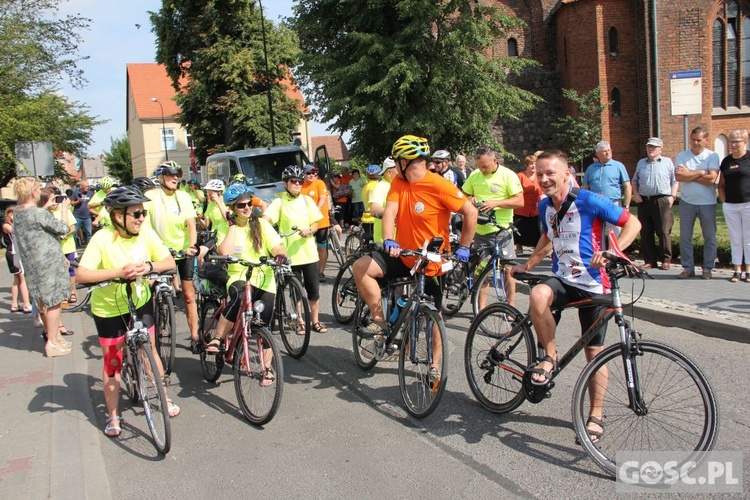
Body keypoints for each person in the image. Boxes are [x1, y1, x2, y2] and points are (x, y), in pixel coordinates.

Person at [510, 150, 641, 443]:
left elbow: (632, 223)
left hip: (595, 284)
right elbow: (548, 237)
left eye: (550, 173)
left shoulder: (589, 200)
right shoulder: (546, 206)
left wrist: (613, 251)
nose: (544, 179)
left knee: (594, 354)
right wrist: (528, 265)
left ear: (567, 174)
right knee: (538, 294)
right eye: (539, 174)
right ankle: (549, 356)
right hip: (563, 280)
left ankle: (595, 414)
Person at [353, 135, 478, 383]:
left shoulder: (439, 185)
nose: (395, 166)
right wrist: (390, 239)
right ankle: (380, 322)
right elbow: (390, 212)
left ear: (405, 161)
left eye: (397, 161)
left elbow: (470, 212)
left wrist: (464, 245)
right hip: (404, 255)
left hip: (431, 261)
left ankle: (434, 365)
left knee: (434, 316)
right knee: (361, 268)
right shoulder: (399, 182)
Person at [76, 186, 180, 437]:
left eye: (142, 212)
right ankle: (113, 415)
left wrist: (147, 266)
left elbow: (169, 262)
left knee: (149, 351)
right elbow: (82, 273)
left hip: (140, 300)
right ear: (117, 216)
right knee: (113, 362)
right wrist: (117, 273)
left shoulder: (146, 233)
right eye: (135, 214)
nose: (141, 218)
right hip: (109, 308)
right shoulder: (102, 238)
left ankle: (163, 398)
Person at [203, 184, 287, 387]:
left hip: (264, 277)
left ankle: (267, 369)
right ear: (232, 208)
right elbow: (224, 251)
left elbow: (276, 244)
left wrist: (279, 254)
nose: (247, 208)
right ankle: (218, 338)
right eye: (241, 205)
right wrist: (232, 225)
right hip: (239, 274)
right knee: (239, 297)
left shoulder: (261, 225)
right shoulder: (225, 228)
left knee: (264, 325)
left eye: (250, 203)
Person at [12, 177, 75, 357]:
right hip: (47, 263)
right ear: (33, 192)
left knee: (42, 301)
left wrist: (45, 208)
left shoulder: (18, 211)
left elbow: (34, 226)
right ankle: (52, 342)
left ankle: (54, 337)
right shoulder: (38, 213)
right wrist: (64, 210)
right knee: (54, 302)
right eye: (38, 189)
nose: (40, 191)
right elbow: (63, 228)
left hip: (31, 263)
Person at [264, 165, 328, 333]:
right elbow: (266, 219)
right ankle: (300, 321)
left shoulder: (307, 201)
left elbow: (316, 222)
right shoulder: (279, 202)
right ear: (286, 183)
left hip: (309, 254)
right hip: (290, 255)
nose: (297, 184)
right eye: (294, 181)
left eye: (300, 181)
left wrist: (310, 230)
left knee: (313, 291)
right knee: (296, 291)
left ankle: (315, 321)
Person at [146, 161, 200, 351]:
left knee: (188, 296)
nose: (175, 178)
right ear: (161, 177)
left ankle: (194, 336)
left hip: (182, 250)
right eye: (170, 174)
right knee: (150, 293)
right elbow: (143, 225)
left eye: (177, 174)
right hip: (160, 252)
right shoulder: (151, 196)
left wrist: (192, 246)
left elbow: (192, 225)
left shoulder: (183, 197)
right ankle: (152, 331)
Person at [462, 145, 524, 308]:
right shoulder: (475, 175)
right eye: (479, 166)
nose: (482, 169)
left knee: (508, 270)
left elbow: (520, 201)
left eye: (485, 166)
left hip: (502, 231)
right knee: (483, 272)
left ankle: (510, 307)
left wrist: (496, 203)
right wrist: (469, 199)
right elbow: (463, 194)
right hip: (481, 231)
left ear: (495, 160)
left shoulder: (508, 175)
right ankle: (480, 309)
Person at [674, 127, 721, 280]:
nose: (695, 143)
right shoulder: (682, 156)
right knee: (685, 237)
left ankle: (707, 268)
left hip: (707, 203)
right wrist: (701, 172)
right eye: (693, 139)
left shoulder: (712, 156)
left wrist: (690, 174)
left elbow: (712, 179)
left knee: (709, 237)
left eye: (699, 140)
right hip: (687, 202)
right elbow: (679, 177)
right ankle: (688, 268)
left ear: (706, 140)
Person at [631, 137, 678, 270]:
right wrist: (636, 194)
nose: (651, 149)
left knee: (663, 231)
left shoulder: (667, 162)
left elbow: (675, 180)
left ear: (661, 149)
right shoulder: (641, 163)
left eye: (654, 147)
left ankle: (665, 260)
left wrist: (672, 196)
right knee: (646, 231)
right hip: (644, 200)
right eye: (649, 147)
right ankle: (650, 260)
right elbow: (635, 180)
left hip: (662, 200)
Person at [718, 129, 750, 283]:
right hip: (731, 205)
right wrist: (725, 202)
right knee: (735, 238)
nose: (733, 145)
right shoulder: (726, 161)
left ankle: (748, 269)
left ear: (745, 141)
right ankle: (737, 269)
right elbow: (721, 184)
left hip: (748, 204)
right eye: (731, 142)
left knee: (748, 238)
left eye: (736, 141)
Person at [40, 189, 78, 305]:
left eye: (57, 199)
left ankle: (72, 292)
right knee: (59, 273)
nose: (56, 202)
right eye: (53, 200)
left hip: (68, 246)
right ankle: (63, 294)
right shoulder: (46, 214)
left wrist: (64, 235)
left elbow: (72, 228)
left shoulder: (64, 211)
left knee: (71, 271)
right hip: (56, 249)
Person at [300, 165, 331, 281]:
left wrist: (316, 211)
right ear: (304, 174)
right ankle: (308, 272)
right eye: (308, 173)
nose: (311, 175)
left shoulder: (319, 183)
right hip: (305, 222)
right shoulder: (301, 185)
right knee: (306, 247)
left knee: (321, 247)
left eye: (313, 173)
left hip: (321, 222)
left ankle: (321, 271)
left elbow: (323, 198)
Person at [2, 206, 32, 313]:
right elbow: (16, 232)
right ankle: (27, 304)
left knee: (17, 279)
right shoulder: (6, 225)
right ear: (9, 214)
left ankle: (14, 304)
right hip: (12, 253)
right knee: (22, 278)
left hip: (17, 252)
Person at [514, 155, 544, 255]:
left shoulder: (539, 176)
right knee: (520, 228)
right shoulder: (520, 176)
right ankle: (519, 246)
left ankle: (536, 248)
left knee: (535, 228)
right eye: (531, 164)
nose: (533, 166)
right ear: (526, 166)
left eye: (535, 164)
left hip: (535, 207)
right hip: (522, 207)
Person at [367, 157, 398, 245]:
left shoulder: (397, 186)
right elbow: (374, 209)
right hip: (385, 241)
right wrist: (397, 215)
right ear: (389, 172)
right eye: (398, 169)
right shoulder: (381, 186)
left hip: (400, 239)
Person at [360, 164, 381, 236]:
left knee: (368, 242)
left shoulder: (366, 186)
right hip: (374, 218)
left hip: (366, 217)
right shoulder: (377, 186)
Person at [71, 179, 93, 246]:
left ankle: (89, 246)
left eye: (88, 186)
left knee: (89, 233)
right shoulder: (76, 193)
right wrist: (78, 201)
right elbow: (72, 203)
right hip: (77, 216)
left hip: (87, 216)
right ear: (81, 186)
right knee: (74, 232)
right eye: (86, 186)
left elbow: (93, 203)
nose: (87, 188)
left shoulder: (90, 193)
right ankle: (75, 247)